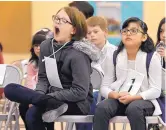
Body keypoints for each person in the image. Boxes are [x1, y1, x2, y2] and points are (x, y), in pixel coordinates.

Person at [4, 6, 99, 130]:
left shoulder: (79, 53)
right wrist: (39, 97)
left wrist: (51, 97)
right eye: (56, 18)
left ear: (73, 30)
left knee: (32, 114)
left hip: (76, 102)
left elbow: (80, 92)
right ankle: (49, 103)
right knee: (10, 89)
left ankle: (48, 103)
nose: (57, 22)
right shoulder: (46, 46)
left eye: (63, 21)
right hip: (50, 98)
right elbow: (43, 78)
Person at [93, 17, 162, 130]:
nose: (128, 33)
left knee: (134, 108)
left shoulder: (152, 57)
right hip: (120, 98)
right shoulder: (115, 56)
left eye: (134, 31)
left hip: (144, 100)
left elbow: (155, 90)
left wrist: (134, 97)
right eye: (125, 31)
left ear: (144, 37)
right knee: (102, 107)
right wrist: (115, 95)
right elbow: (104, 87)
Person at [76, 16, 116, 130]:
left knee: (91, 97)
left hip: (108, 93)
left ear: (105, 32)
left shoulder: (115, 53)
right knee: (82, 98)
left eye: (95, 31)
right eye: (88, 33)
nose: (92, 35)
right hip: (87, 93)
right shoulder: (82, 54)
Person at [19, 28, 53, 130]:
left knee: (41, 110)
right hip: (35, 94)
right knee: (22, 105)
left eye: (41, 45)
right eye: (36, 46)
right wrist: (32, 98)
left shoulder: (52, 61)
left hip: (48, 95)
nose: (38, 48)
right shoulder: (32, 63)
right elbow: (29, 82)